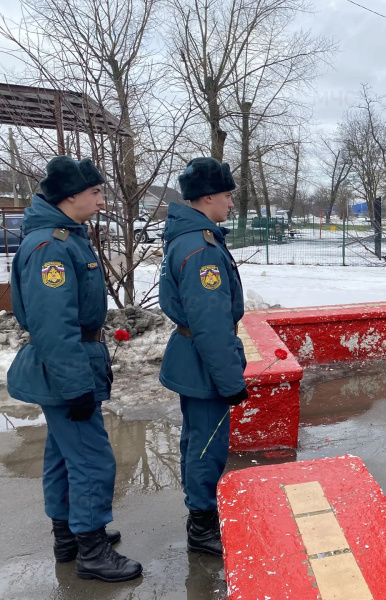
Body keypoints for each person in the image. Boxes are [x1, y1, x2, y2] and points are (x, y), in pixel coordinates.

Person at [7, 156, 142, 582]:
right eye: (96, 193)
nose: (102, 201)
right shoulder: (51, 246)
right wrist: (76, 386)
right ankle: (92, 551)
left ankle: (69, 536)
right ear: (70, 197)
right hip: (65, 366)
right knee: (90, 459)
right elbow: (54, 326)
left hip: (71, 363)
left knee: (64, 457)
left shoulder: (63, 237)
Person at [159, 157, 247, 556]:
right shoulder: (202, 248)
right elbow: (211, 323)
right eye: (227, 195)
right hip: (203, 359)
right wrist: (231, 381)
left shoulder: (189, 238)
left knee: (197, 439)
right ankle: (202, 525)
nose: (231, 204)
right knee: (206, 445)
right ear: (207, 196)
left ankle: (201, 515)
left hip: (193, 354)